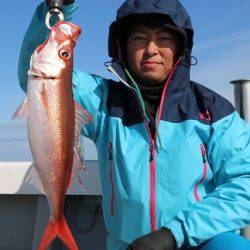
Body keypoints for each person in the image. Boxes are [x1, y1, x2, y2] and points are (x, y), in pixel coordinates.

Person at [18, 0, 250, 249]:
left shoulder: (213, 110)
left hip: (198, 241)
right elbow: (33, 72)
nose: (152, 49)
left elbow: (245, 183)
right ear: (123, 49)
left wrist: (173, 234)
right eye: (139, 38)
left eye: (163, 38)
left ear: (180, 47)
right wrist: (57, 10)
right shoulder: (102, 99)